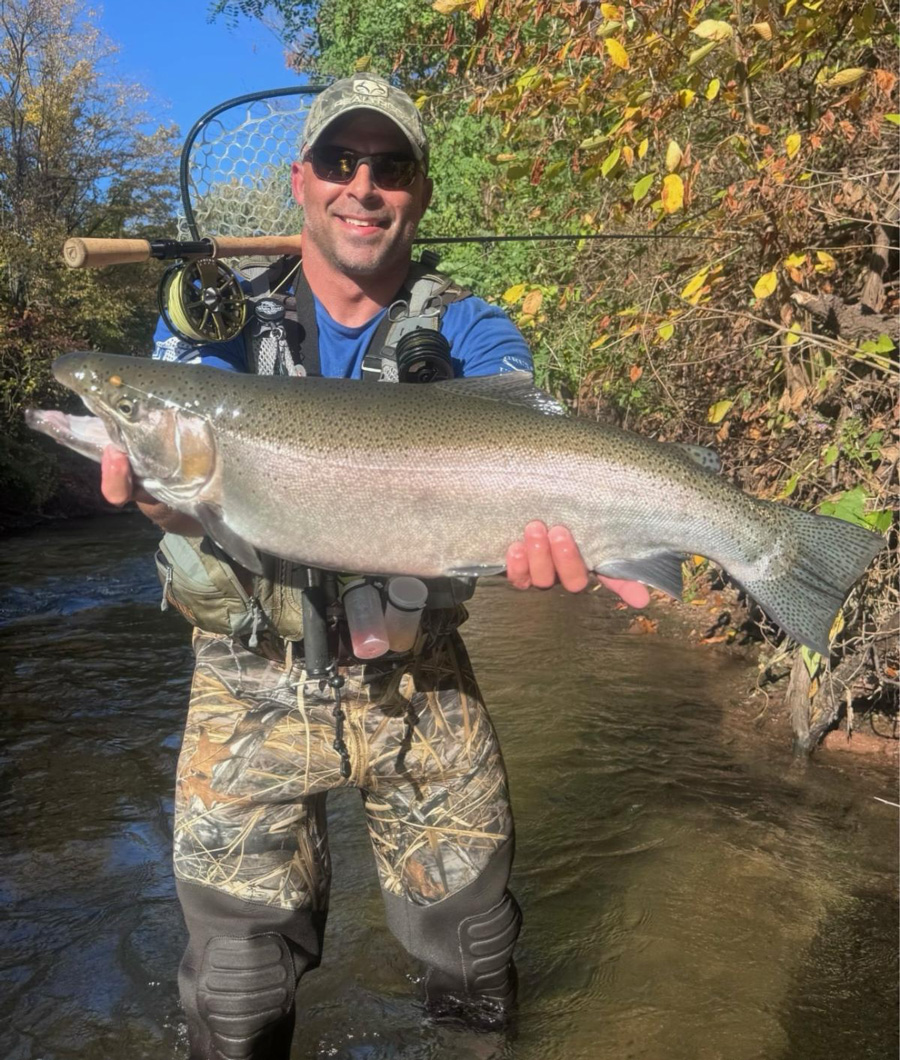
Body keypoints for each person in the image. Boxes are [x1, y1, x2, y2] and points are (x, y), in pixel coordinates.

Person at [100, 75, 646, 1059]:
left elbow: (535, 453)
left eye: (390, 166)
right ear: (301, 181)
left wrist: (593, 547)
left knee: (477, 963)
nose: (364, 186)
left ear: (420, 191)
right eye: (340, 163)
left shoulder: (473, 333)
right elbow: (178, 448)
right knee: (233, 1001)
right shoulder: (216, 326)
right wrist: (152, 483)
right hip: (248, 681)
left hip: (418, 683)